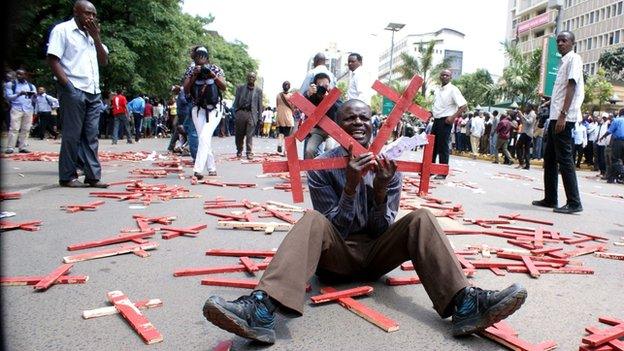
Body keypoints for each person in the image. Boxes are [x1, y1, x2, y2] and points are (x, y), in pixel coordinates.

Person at [201, 99, 527, 345]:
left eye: (363, 117)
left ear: (373, 125)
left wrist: (381, 191)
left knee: (421, 218)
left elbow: (381, 230)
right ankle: (261, 309)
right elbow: (333, 230)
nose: (358, 122)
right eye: (349, 118)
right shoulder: (322, 166)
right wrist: (352, 186)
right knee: (313, 219)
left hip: (376, 257)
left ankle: (464, 304)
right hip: (335, 259)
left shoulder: (389, 168)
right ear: (337, 127)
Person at [47, 0, 109, 188]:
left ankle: (92, 176)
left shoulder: (91, 36)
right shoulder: (62, 30)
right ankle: (67, 176)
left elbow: (104, 60)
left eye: (93, 14)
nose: (91, 17)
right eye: (87, 13)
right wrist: (68, 87)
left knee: (91, 135)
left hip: (93, 91)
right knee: (72, 135)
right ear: (76, 12)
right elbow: (53, 59)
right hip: (73, 89)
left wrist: (96, 38)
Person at [533, 31, 584, 214]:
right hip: (556, 117)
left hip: (564, 118)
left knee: (565, 160)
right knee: (550, 158)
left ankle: (574, 202)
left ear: (572, 43)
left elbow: (572, 86)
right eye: (559, 41)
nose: (561, 43)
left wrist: (563, 114)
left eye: (565, 40)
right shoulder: (563, 63)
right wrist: (550, 101)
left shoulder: (574, 59)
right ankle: (550, 198)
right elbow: (563, 90)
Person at [183, 46, 226, 178]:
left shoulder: (215, 69)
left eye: (203, 57)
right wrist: (194, 76)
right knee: (204, 138)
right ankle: (211, 167)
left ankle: (198, 170)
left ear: (207, 58)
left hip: (214, 109)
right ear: (194, 58)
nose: (201, 59)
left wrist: (213, 75)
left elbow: (223, 87)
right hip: (198, 109)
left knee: (203, 137)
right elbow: (186, 90)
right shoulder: (190, 70)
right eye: (198, 56)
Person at [430, 69, 467, 178]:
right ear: (440, 77)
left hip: (446, 120)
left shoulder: (453, 89)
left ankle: (442, 172)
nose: (445, 77)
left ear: (451, 78)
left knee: (443, 146)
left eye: (447, 75)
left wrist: (453, 117)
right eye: (443, 75)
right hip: (436, 120)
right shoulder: (438, 90)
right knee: (432, 146)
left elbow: (463, 106)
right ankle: (430, 169)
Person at [303, 73, 342, 159]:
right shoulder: (312, 96)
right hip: (318, 131)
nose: (323, 88)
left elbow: (340, 108)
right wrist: (309, 93)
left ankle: (327, 171)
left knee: (330, 149)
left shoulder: (333, 94)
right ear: (315, 86)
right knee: (309, 150)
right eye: (320, 85)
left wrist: (330, 97)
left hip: (331, 131)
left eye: (326, 85)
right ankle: (310, 171)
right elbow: (303, 103)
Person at [4, 69, 36, 154]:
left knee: (26, 129)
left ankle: (22, 147)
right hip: (16, 108)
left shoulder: (31, 86)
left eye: (21, 74)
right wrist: (19, 94)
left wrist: (35, 96)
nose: (19, 76)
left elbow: (34, 100)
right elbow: (8, 97)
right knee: (14, 128)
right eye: (17, 74)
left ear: (25, 75)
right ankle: (10, 147)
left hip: (28, 109)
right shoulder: (11, 84)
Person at [232, 72, 262, 159]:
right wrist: (235, 113)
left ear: (255, 79)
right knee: (239, 134)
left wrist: (260, 118)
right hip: (241, 113)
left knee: (249, 135)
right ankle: (239, 150)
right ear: (247, 78)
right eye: (249, 77)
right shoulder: (240, 88)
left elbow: (259, 106)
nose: (251, 78)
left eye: (253, 77)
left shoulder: (258, 90)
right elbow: (236, 102)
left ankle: (249, 152)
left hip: (251, 114)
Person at [598, 108, 624, 183]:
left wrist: (603, 136)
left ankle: (617, 175)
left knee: (614, 159)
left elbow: (610, 131)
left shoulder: (617, 120)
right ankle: (616, 177)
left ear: (620, 113)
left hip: (618, 141)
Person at [275, 81, 294, 154]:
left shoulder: (278, 95)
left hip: (280, 116)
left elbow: (277, 105)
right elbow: (293, 106)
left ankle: (280, 144)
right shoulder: (291, 96)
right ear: (289, 87)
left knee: (281, 132)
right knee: (288, 135)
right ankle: (285, 151)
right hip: (288, 116)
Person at [515, 104, 535, 170]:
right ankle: (526, 165)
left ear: (530, 107)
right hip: (525, 132)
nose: (525, 108)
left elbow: (529, 122)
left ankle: (522, 163)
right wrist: (521, 116)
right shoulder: (527, 113)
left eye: (527, 107)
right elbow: (523, 122)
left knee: (518, 146)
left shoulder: (532, 114)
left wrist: (522, 115)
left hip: (527, 133)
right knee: (526, 149)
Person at [595, 113, 610, 177]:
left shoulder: (608, 124)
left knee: (603, 158)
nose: (604, 118)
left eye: (605, 117)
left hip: (604, 144)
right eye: (603, 117)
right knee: (599, 158)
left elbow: (609, 134)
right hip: (599, 143)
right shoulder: (601, 124)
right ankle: (601, 171)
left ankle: (604, 172)